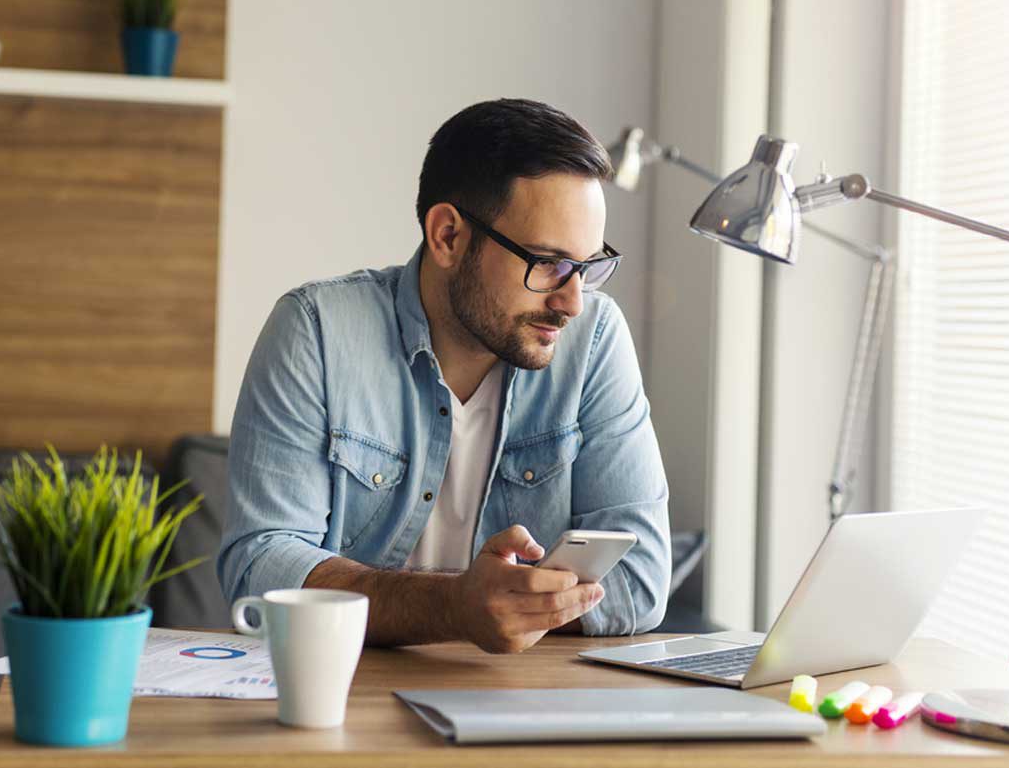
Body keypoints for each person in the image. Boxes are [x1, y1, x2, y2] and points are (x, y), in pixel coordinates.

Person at [217, 98, 670, 654]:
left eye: (588, 267)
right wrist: (454, 609)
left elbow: (643, 579)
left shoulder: (595, 341)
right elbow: (260, 566)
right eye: (548, 263)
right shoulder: (317, 331)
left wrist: (502, 609)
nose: (573, 302)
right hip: (345, 695)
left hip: (522, 702)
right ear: (448, 236)